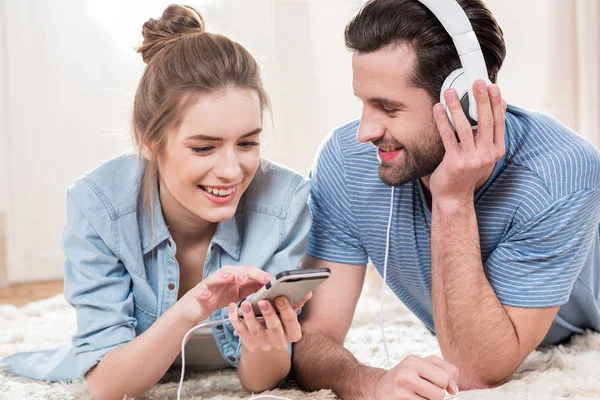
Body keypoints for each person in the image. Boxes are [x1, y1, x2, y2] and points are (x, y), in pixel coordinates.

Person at [292, 0, 600, 399]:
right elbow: (312, 336)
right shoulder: (344, 161)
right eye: (362, 103)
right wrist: (370, 383)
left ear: (465, 104)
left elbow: (475, 372)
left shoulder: (560, 173)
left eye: (388, 107)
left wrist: (453, 199)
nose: (364, 131)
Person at [2, 4, 312, 399]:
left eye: (248, 143)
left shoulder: (285, 204)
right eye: (204, 148)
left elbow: (260, 384)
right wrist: (193, 306)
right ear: (149, 140)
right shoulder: (99, 207)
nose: (232, 170)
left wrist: (265, 338)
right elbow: (110, 386)